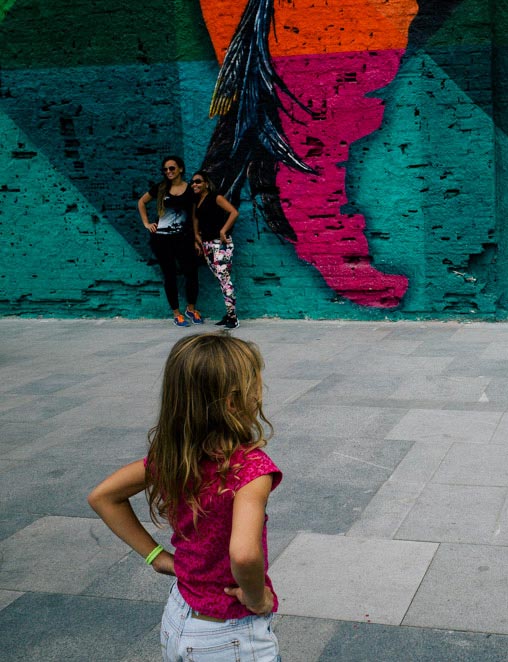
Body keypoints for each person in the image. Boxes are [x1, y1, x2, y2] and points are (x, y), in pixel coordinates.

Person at [88, 333, 282, 661]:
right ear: (233, 402)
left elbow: (103, 496)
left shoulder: (172, 457)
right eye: (255, 386)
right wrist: (258, 597)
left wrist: (157, 558)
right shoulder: (251, 470)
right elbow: (245, 555)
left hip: (178, 616)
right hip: (229, 632)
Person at [138, 156, 204, 327]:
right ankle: (177, 313)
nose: (168, 172)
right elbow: (142, 202)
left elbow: (195, 215)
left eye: (172, 168)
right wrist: (147, 224)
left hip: (184, 239)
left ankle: (191, 308)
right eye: (166, 169)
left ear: (181, 169)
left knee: (191, 274)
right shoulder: (160, 188)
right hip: (161, 240)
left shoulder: (191, 190)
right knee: (170, 275)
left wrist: (197, 239)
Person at [192, 171, 241, 329]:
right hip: (207, 244)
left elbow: (234, 212)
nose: (194, 185)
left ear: (206, 183)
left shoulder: (215, 197)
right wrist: (196, 237)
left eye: (198, 182)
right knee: (222, 280)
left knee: (225, 280)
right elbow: (195, 219)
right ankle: (228, 314)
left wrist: (223, 230)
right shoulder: (197, 201)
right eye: (192, 182)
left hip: (220, 244)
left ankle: (233, 318)